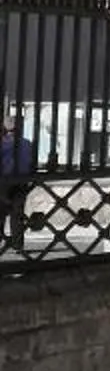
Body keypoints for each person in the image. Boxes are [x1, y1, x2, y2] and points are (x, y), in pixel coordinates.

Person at [0, 108, 35, 258]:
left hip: (4, 181)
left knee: (0, 213)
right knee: (17, 214)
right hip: (21, 181)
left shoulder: (2, 144)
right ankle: (17, 246)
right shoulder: (27, 144)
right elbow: (31, 163)